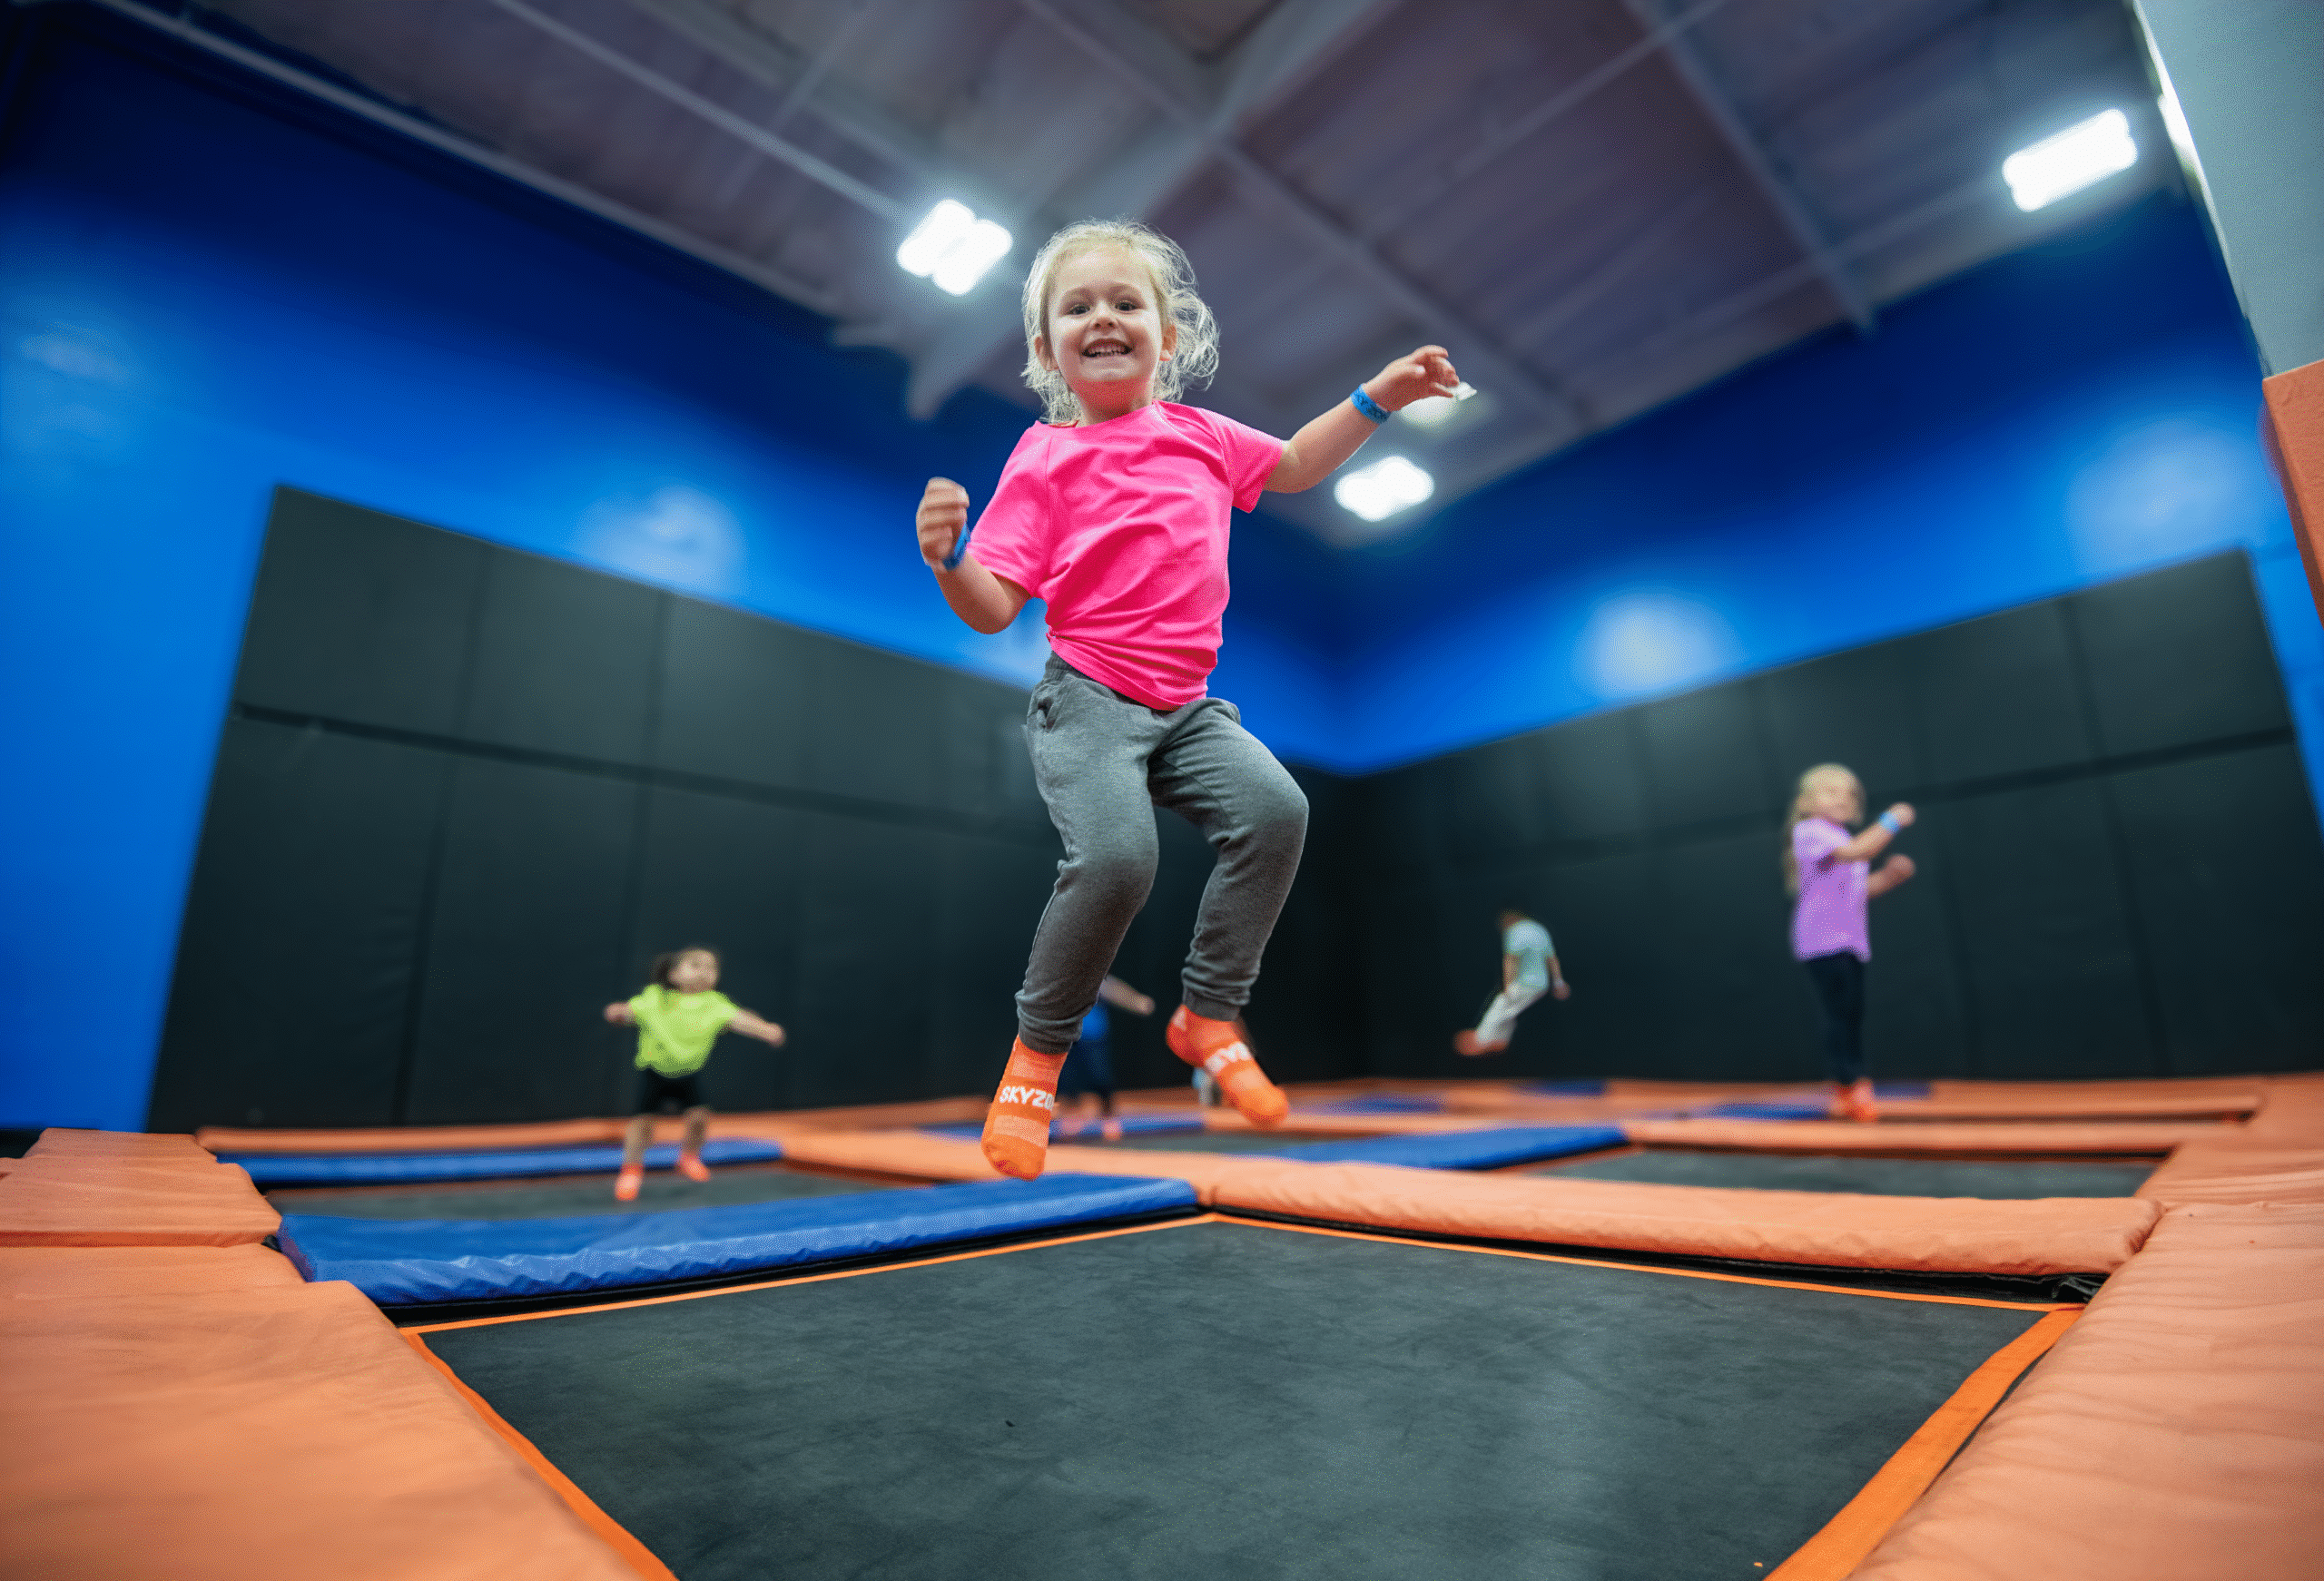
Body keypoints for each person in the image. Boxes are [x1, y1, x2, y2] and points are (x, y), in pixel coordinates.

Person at [915, 217, 1461, 1179]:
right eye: (1076, 308)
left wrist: (1382, 394)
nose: (1104, 317)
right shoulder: (1042, 456)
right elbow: (997, 607)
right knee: (1119, 859)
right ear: (1047, 350)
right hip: (1087, 696)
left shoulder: (1202, 435)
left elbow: (1292, 466)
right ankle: (1032, 1063)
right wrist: (952, 560)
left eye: (1126, 302)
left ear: (1168, 336)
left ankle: (1206, 1015)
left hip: (1188, 707)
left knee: (1278, 810)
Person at [1785, 764, 1916, 1122]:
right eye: (1830, 791)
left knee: (1853, 1013)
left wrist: (1890, 877)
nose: (1841, 798)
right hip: (1822, 942)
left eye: (1847, 792)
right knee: (1840, 1013)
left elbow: (1859, 889)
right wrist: (1891, 820)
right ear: (1808, 803)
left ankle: (1849, 1085)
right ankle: (1851, 1084)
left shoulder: (1842, 837)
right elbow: (1859, 851)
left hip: (1850, 941)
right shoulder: (1810, 832)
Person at [601, 947, 786, 1201]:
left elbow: (739, 1019)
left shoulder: (715, 1004)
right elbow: (630, 1011)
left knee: (700, 1117)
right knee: (642, 1124)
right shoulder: (657, 998)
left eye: (711, 968)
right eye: (696, 966)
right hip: (654, 1072)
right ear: (674, 974)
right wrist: (618, 1012)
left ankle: (688, 1157)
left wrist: (766, 1030)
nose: (705, 973)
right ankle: (631, 1169)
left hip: (688, 1073)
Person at [1453, 910, 1571, 1056]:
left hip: (1525, 983)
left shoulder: (1514, 930)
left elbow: (1510, 960)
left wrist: (1507, 986)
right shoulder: (1539, 930)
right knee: (1511, 1012)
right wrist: (1559, 983)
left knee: (1500, 1005)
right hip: (1541, 985)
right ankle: (1501, 1040)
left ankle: (1480, 1040)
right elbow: (1551, 958)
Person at [1059, 975, 1156, 1142]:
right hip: (1069, 1036)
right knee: (1068, 1078)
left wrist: (1136, 1001)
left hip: (1093, 1036)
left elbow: (1112, 989)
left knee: (1101, 1076)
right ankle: (1070, 1119)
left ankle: (1108, 1117)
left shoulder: (1092, 975)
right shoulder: (1060, 978)